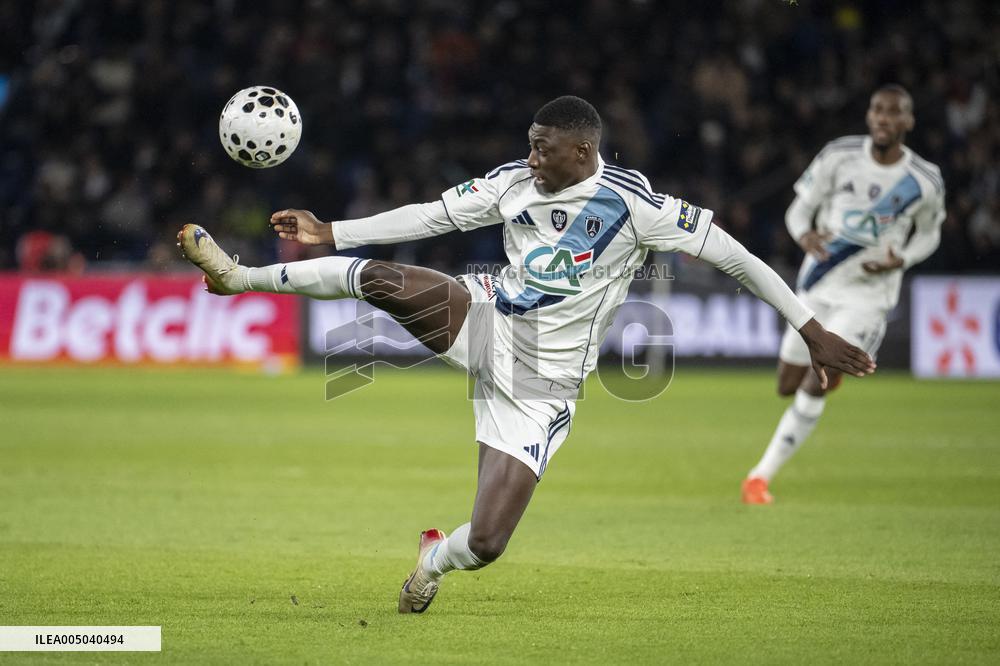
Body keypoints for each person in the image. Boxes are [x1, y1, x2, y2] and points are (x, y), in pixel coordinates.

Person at [178, 96, 876, 613]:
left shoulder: (636, 205)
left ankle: (433, 558)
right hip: (485, 316)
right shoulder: (514, 180)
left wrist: (809, 326)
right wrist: (331, 229)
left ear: (583, 152)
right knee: (385, 279)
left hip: (545, 379)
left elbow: (738, 257)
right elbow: (432, 215)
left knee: (485, 544)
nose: (532, 158)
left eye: (545, 149)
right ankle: (238, 278)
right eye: (531, 145)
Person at [742, 85, 944, 504]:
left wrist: (902, 258)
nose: (883, 119)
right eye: (877, 110)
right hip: (818, 283)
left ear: (908, 121)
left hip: (869, 297)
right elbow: (799, 209)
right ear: (869, 116)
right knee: (787, 383)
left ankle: (759, 478)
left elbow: (929, 235)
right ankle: (827, 379)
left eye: (893, 113)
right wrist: (803, 234)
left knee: (818, 381)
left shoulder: (923, 181)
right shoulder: (839, 155)